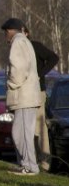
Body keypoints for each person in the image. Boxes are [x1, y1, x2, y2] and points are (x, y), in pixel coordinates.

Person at [1, 18, 41, 176]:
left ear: (11, 30)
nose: (5, 35)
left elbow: (18, 68)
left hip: (24, 96)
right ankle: (27, 164)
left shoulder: (17, 42)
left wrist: (11, 84)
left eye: (6, 32)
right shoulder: (25, 41)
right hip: (27, 96)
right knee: (21, 132)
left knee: (22, 133)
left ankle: (31, 166)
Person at [24, 27, 59, 171]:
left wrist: (39, 74)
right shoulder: (16, 50)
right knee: (26, 128)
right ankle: (31, 161)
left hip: (38, 90)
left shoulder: (35, 46)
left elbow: (54, 57)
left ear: (26, 33)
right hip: (23, 92)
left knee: (39, 126)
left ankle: (44, 163)